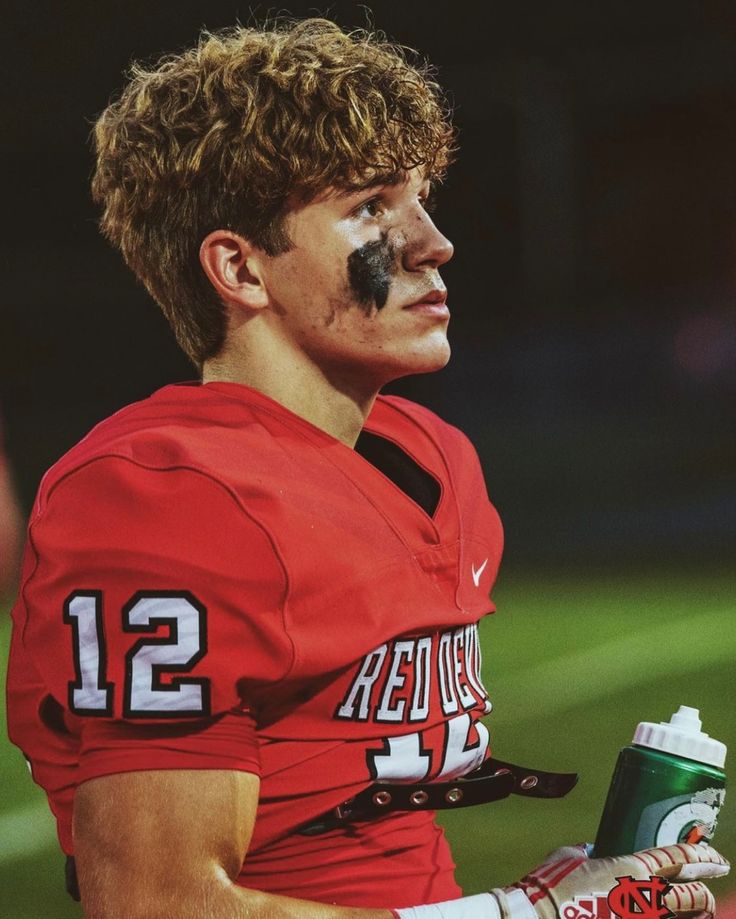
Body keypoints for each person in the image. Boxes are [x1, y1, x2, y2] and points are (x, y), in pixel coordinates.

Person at [5, 18, 729, 919]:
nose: (434, 243)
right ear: (240, 266)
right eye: (371, 209)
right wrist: (521, 915)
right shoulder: (164, 494)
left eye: (421, 200)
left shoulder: (432, 457)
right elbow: (159, 903)